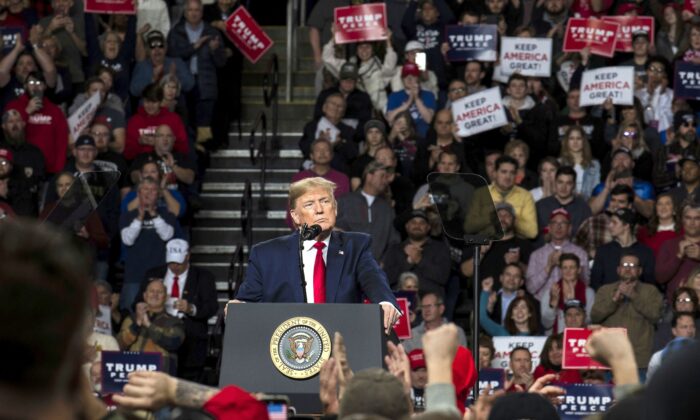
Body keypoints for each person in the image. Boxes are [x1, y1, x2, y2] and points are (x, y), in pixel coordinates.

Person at [232, 177, 400, 331]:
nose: (319, 209)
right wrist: (239, 306)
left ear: (335, 208)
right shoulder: (266, 254)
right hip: (288, 348)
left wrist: (385, 302)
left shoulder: (355, 247)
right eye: (309, 204)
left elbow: (374, 280)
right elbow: (248, 301)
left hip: (342, 344)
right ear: (295, 216)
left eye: (325, 201)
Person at [140, 238, 219, 382]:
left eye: (179, 262)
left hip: (190, 342)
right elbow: (138, 300)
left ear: (188, 256)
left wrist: (191, 308)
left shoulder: (203, 277)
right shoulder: (152, 274)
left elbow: (212, 307)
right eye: (171, 262)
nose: (175, 266)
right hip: (155, 341)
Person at [167, 0, 226, 151]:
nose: (193, 13)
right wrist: (194, 46)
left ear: (202, 12)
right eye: (190, 10)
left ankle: (202, 159)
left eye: (197, 10)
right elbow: (173, 54)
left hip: (205, 84)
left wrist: (214, 50)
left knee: (204, 128)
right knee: (185, 124)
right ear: (185, 13)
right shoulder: (176, 32)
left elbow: (221, 63)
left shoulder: (212, 32)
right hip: (183, 84)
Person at [590, 251, 664, 368]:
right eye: (624, 266)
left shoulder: (651, 291)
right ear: (618, 269)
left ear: (640, 271)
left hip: (639, 361)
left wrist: (634, 296)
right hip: (610, 359)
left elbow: (656, 316)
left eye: (632, 266)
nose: (628, 269)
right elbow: (595, 316)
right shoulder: (605, 290)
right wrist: (613, 300)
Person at [119, 176, 179, 310]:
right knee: (130, 312)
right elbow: (127, 240)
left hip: (159, 274)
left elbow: (167, 235)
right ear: (138, 193)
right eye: (145, 190)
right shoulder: (128, 215)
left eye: (152, 190)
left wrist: (154, 215)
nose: (148, 193)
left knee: (160, 312)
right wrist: (139, 218)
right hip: (134, 274)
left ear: (158, 195)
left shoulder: (166, 214)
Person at [3, 71, 68, 174]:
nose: (35, 87)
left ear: (45, 87)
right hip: (18, 168)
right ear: (25, 86)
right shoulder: (14, 107)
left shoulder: (55, 111)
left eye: (39, 83)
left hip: (49, 170)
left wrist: (58, 171)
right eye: (32, 83)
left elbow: (61, 142)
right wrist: (26, 112)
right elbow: (10, 134)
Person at [118, 278, 185, 376]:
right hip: (132, 376)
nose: (155, 294)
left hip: (160, 379)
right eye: (151, 291)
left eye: (159, 292)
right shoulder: (131, 319)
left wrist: (148, 325)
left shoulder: (175, 322)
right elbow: (119, 345)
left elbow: (174, 342)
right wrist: (136, 325)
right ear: (145, 296)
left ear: (166, 297)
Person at [336, 161, 400, 262]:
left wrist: (385, 262)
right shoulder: (345, 201)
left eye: (387, 178)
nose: (385, 181)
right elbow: (330, 228)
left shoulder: (387, 209)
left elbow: (393, 240)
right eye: (382, 176)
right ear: (369, 176)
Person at [465, 156, 537, 239]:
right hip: (486, 243)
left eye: (512, 172)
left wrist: (510, 218)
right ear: (494, 173)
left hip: (514, 245)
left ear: (516, 175)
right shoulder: (480, 194)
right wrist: (491, 216)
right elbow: (469, 227)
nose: (508, 176)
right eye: (504, 172)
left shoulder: (525, 196)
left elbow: (532, 232)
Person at [382, 210, 451, 296]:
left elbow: (443, 278)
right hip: (401, 301)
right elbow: (386, 279)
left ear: (428, 227)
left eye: (422, 223)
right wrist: (408, 262)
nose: (417, 226)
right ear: (407, 226)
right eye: (413, 222)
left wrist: (419, 260)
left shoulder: (440, 248)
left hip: (430, 302)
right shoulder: (395, 249)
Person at [460, 202, 533, 282]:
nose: (502, 218)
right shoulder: (479, 241)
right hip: (482, 293)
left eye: (507, 215)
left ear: (514, 220)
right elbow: (465, 272)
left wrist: (518, 263)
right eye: (499, 215)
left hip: (512, 294)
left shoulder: (525, 245)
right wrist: (480, 254)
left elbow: (534, 277)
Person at [526, 208, 590, 299]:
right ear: (549, 228)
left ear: (569, 228)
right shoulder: (536, 255)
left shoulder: (580, 253)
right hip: (542, 306)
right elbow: (530, 288)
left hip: (571, 306)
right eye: (554, 223)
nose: (558, 226)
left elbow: (585, 285)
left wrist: (570, 269)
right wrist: (548, 267)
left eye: (563, 223)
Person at [591, 207, 655, 289]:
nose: (610, 225)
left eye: (614, 222)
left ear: (626, 226)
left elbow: (649, 285)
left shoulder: (646, 252)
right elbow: (595, 283)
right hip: (608, 299)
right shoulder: (603, 251)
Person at [124, 83, 189, 161]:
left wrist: (162, 143)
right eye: (147, 102)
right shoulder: (134, 121)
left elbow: (183, 148)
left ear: (160, 102)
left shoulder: (174, 119)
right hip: (142, 163)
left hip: (168, 160)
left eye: (154, 102)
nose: (150, 106)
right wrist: (139, 142)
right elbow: (128, 154)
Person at [299, 93, 358, 176]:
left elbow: (352, 154)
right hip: (312, 171)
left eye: (340, 106)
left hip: (337, 172)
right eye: (333, 104)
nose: (336, 108)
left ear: (343, 113)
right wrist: (319, 142)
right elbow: (304, 148)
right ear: (324, 107)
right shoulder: (311, 127)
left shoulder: (349, 130)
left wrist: (339, 144)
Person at [575, 184, 635, 260]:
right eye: (613, 200)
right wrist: (590, 253)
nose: (615, 205)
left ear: (629, 206)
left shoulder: (636, 228)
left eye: (621, 202)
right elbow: (574, 248)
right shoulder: (593, 222)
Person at [656, 201, 700, 303]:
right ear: (682, 220)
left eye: (697, 218)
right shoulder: (668, 245)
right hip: (675, 304)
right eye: (688, 218)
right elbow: (660, 278)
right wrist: (678, 256)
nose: (692, 223)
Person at [540, 253, 595, 335]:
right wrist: (553, 305)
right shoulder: (550, 292)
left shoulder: (588, 293)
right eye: (564, 268)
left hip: (579, 339)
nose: (568, 271)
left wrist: (573, 304)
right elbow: (546, 324)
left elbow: (589, 321)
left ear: (579, 269)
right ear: (560, 270)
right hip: (555, 339)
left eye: (572, 267)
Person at [535, 166, 592, 242]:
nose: (563, 187)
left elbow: (588, 237)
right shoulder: (541, 206)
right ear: (555, 183)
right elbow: (534, 236)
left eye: (568, 183)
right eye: (560, 182)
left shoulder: (583, 208)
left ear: (574, 185)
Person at [401, 292, 467, 352]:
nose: (426, 310)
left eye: (430, 306)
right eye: (423, 307)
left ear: (441, 309)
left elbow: (463, 361)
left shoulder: (456, 332)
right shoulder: (413, 335)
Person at [385, 62, 437, 138]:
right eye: (406, 76)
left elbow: (429, 119)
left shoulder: (428, 95)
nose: (409, 78)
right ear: (402, 79)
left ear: (418, 78)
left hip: (424, 137)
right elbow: (390, 118)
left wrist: (416, 98)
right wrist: (408, 103)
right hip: (402, 138)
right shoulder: (394, 96)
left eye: (413, 75)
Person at [646, 312, 696, 382]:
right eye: (684, 327)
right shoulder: (658, 358)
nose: (690, 331)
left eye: (692, 326)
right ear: (674, 331)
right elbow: (651, 386)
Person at [558, 126, 601, 199]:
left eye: (578, 138)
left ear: (583, 141)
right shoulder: (559, 163)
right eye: (572, 138)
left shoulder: (594, 164)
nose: (575, 142)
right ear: (567, 141)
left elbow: (596, 189)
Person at [637, 193, 681, 257]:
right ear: (656, 210)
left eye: (667, 204)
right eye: (660, 204)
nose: (663, 207)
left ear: (674, 209)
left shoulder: (684, 231)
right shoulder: (644, 232)